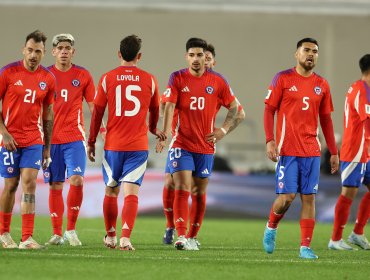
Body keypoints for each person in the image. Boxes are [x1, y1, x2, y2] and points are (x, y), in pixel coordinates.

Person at [157, 38, 245, 250]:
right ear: (187, 56)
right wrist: (167, 132)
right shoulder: (177, 77)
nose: (197, 59)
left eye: (201, 56)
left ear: (208, 59)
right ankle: (179, 233)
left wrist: (223, 130)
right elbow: (166, 106)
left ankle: (193, 236)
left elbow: (237, 111)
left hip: (205, 146)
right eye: (193, 55)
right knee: (178, 185)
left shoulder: (218, 81)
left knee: (198, 192)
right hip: (181, 143)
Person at [263, 38, 339, 259]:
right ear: (296, 54)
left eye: (315, 51)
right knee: (287, 197)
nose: (311, 54)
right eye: (306, 50)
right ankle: (271, 227)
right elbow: (269, 111)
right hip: (287, 150)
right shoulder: (283, 78)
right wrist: (270, 140)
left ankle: (305, 246)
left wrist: (333, 152)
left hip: (312, 150)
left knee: (309, 197)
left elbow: (326, 119)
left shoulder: (322, 84)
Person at [87, 34, 165, 250]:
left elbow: (97, 113)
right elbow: (155, 109)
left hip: (113, 145)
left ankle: (110, 237)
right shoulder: (149, 79)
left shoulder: (107, 78)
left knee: (111, 190)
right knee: (131, 193)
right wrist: (152, 129)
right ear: (139, 56)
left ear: (119, 54)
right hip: (137, 146)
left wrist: (92, 141)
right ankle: (125, 238)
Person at [43, 34, 100, 246]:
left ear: (73, 52)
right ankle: (57, 233)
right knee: (55, 185)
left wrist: (99, 130)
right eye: (60, 47)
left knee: (77, 179)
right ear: (54, 52)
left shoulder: (82, 74)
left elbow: (94, 106)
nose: (64, 51)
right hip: (50, 140)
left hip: (75, 137)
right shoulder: (45, 74)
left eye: (68, 48)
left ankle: (71, 230)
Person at [0, 30, 55, 249]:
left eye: (38, 51)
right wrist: (3, 132)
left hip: (34, 139)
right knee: (11, 186)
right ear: (24, 49)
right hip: (9, 140)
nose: (33, 55)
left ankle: (27, 237)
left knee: (30, 183)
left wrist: (47, 148)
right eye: (30, 50)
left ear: (43, 54)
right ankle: (4, 233)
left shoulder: (47, 79)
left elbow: (48, 113)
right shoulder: (8, 73)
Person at [328, 54, 370, 250]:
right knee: (349, 193)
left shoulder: (358, 87)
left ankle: (357, 233)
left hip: (364, 150)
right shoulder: (363, 91)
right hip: (356, 150)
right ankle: (335, 239)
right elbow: (367, 121)